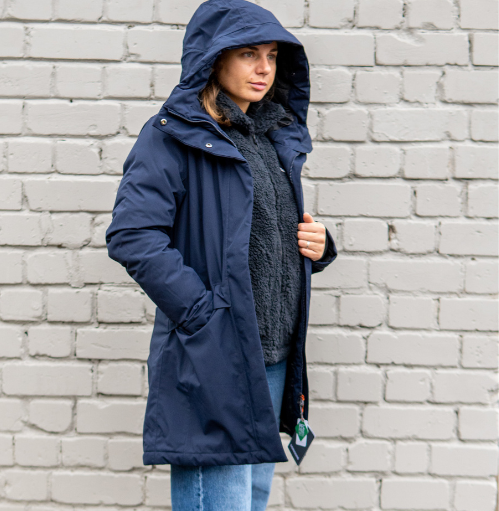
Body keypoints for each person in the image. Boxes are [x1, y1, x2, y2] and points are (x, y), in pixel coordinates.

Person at [105, 0, 337, 509]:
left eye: (272, 56)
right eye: (249, 54)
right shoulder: (171, 137)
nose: (264, 69)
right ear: (214, 59)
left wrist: (318, 246)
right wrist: (202, 313)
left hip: (272, 357)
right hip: (216, 354)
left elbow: (261, 234)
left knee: (250, 499)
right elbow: (133, 235)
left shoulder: (270, 136)